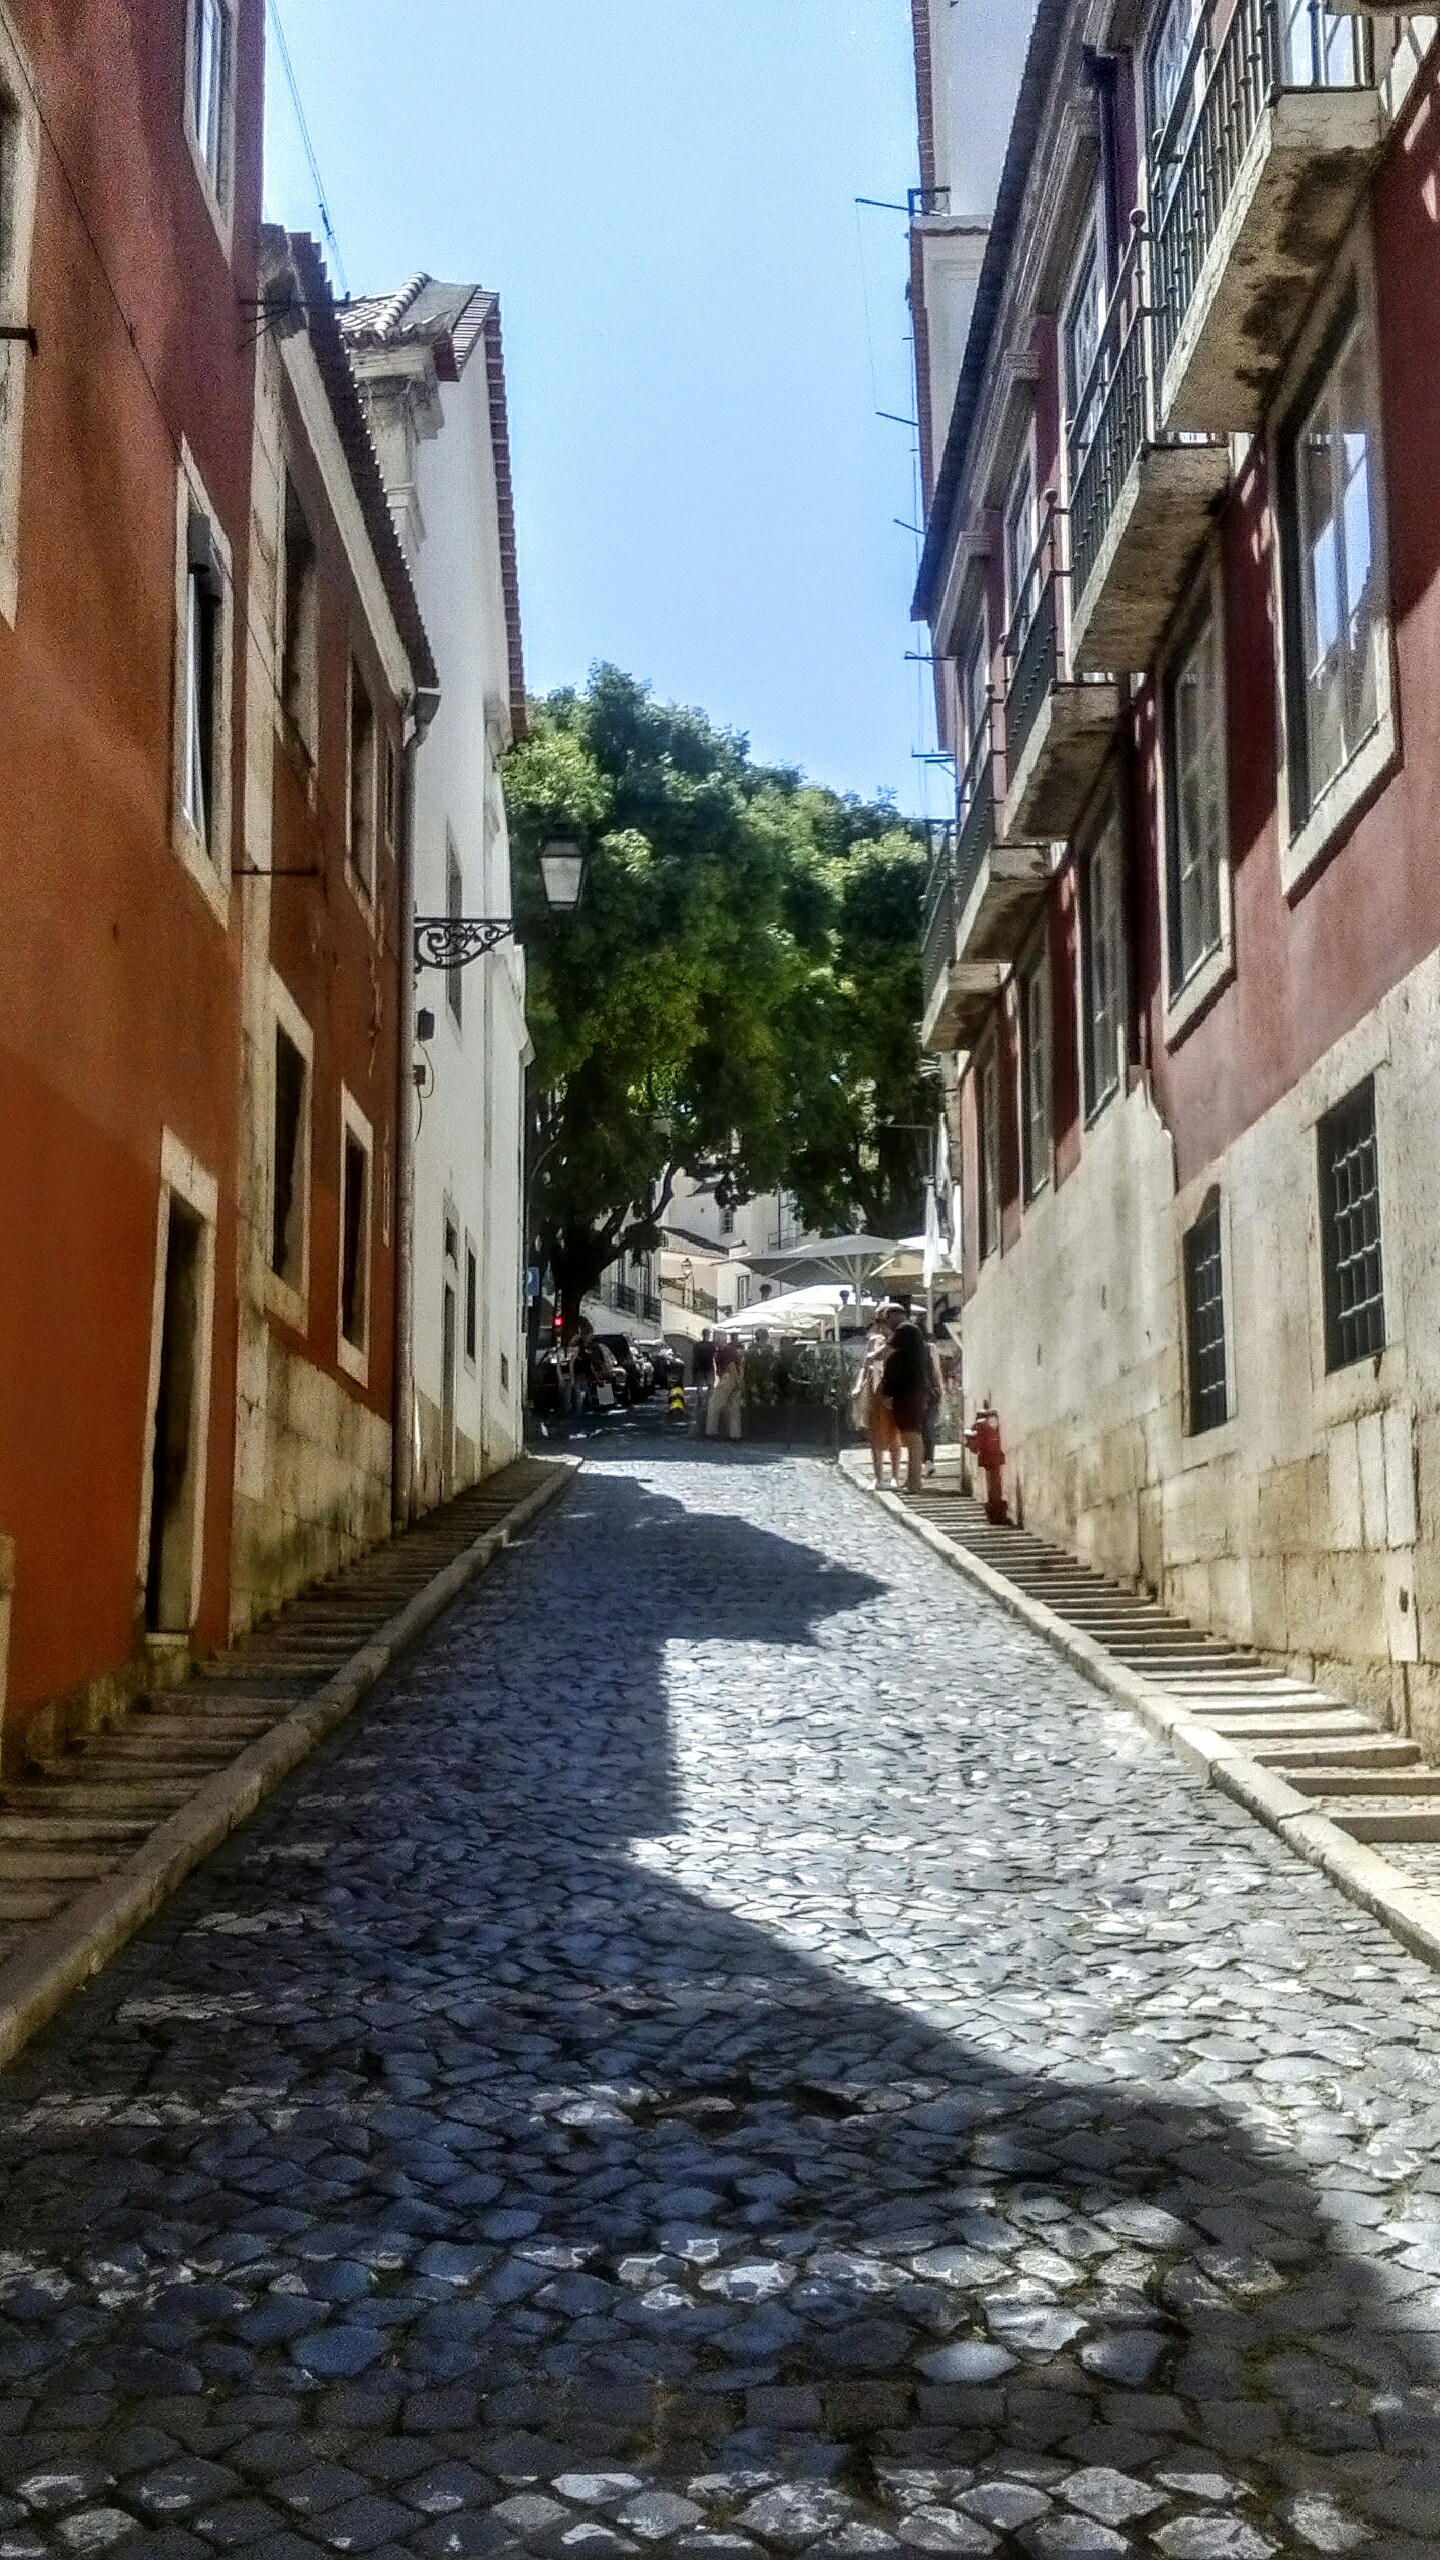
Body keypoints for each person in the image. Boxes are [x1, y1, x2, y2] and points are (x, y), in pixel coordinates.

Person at [853, 1308, 901, 1488]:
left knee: (894, 1434)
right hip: (875, 1391)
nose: (881, 1326)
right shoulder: (873, 1341)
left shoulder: (897, 1340)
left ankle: (895, 1476)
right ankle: (878, 1477)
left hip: (893, 1391)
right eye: (878, 1322)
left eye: (883, 1322)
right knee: (874, 1435)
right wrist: (859, 1385)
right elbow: (864, 1366)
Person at [882, 1316, 930, 1495]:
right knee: (913, 1438)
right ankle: (912, 1480)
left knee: (912, 1438)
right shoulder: (916, 1357)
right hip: (912, 1397)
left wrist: (888, 1395)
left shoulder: (900, 1358)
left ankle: (914, 1483)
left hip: (905, 1399)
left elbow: (892, 1378)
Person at [706, 1333, 745, 1440]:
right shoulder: (731, 1350)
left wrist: (737, 1380)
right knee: (734, 1407)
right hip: (732, 1378)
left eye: (716, 1338)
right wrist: (739, 1382)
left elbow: (731, 1366)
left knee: (714, 1405)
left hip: (727, 1377)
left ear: (720, 1339)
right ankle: (735, 1434)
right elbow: (740, 1366)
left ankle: (711, 1432)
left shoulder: (726, 1351)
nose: (714, 1341)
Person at [691, 1327, 716, 1432]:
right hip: (709, 1369)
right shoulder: (712, 1345)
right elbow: (714, 1357)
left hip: (700, 1369)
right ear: (708, 1335)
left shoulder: (697, 1345)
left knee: (700, 1391)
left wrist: (693, 1373)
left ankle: (701, 1407)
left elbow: (694, 1359)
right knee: (710, 1388)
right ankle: (709, 1406)